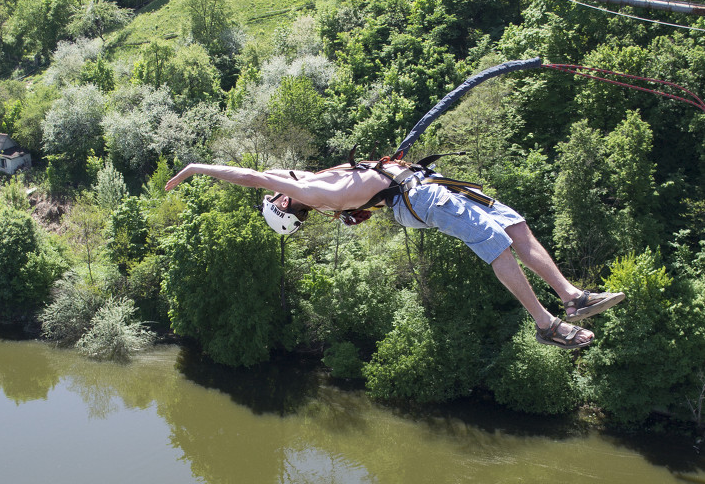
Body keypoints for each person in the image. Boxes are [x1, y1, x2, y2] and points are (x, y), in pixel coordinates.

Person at [165, 158, 624, 350]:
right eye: (276, 190)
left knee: (514, 224)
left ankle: (571, 295)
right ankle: (546, 324)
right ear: (284, 202)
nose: (277, 178)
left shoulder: (315, 184)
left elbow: (274, 173)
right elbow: (252, 176)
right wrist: (195, 169)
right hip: (421, 200)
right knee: (495, 243)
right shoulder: (304, 189)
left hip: (427, 186)